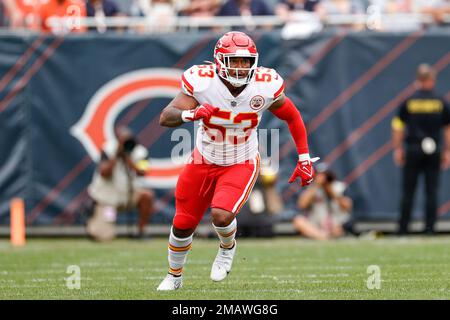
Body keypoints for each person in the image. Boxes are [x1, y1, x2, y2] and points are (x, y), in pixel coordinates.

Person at [157, 31, 318, 290]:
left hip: (241, 160)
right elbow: (166, 117)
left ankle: (226, 248)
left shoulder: (265, 84)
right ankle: (174, 276)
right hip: (203, 158)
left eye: (246, 61)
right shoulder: (203, 81)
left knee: (221, 215)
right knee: (183, 223)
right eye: (235, 60)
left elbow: (293, 116)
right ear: (220, 60)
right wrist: (192, 113)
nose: (241, 67)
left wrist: (304, 157)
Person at [392, 63, 450, 235]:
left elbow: (397, 126)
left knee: (408, 191)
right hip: (434, 151)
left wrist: (398, 149)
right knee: (431, 191)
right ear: (432, 80)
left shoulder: (409, 101)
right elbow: (447, 128)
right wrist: (447, 151)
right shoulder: (440, 101)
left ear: (417, 80)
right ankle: (430, 228)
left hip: (413, 149)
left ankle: (403, 228)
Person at [87, 126, 155, 240]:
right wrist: (116, 155)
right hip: (108, 200)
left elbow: (142, 172)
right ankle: (101, 224)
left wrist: (127, 159)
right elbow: (104, 173)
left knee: (147, 196)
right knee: (104, 236)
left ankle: (142, 231)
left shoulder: (140, 152)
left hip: (128, 195)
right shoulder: (108, 149)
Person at [293, 165, 352, 240]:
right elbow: (301, 205)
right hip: (317, 222)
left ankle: (323, 236)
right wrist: (316, 186)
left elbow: (348, 206)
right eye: (319, 175)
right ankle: (323, 237)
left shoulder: (339, 187)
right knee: (298, 221)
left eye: (325, 176)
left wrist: (332, 193)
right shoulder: (312, 188)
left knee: (337, 228)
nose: (323, 178)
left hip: (336, 221)